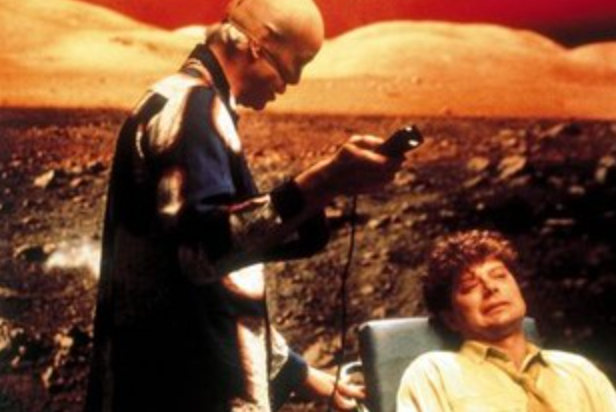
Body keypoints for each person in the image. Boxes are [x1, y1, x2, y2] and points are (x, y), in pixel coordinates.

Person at [83, 0, 404, 411]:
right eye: (295, 63)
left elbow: (215, 276)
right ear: (259, 43)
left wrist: (297, 373)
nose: (293, 82)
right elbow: (205, 253)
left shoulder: (181, 100)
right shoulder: (193, 109)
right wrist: (325, 180)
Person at [396, 230, 616, 412]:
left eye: (499, 276)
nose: (490, 287)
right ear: (451, 319)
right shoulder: (434, 372)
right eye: (469, 286)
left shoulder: (577, 370)